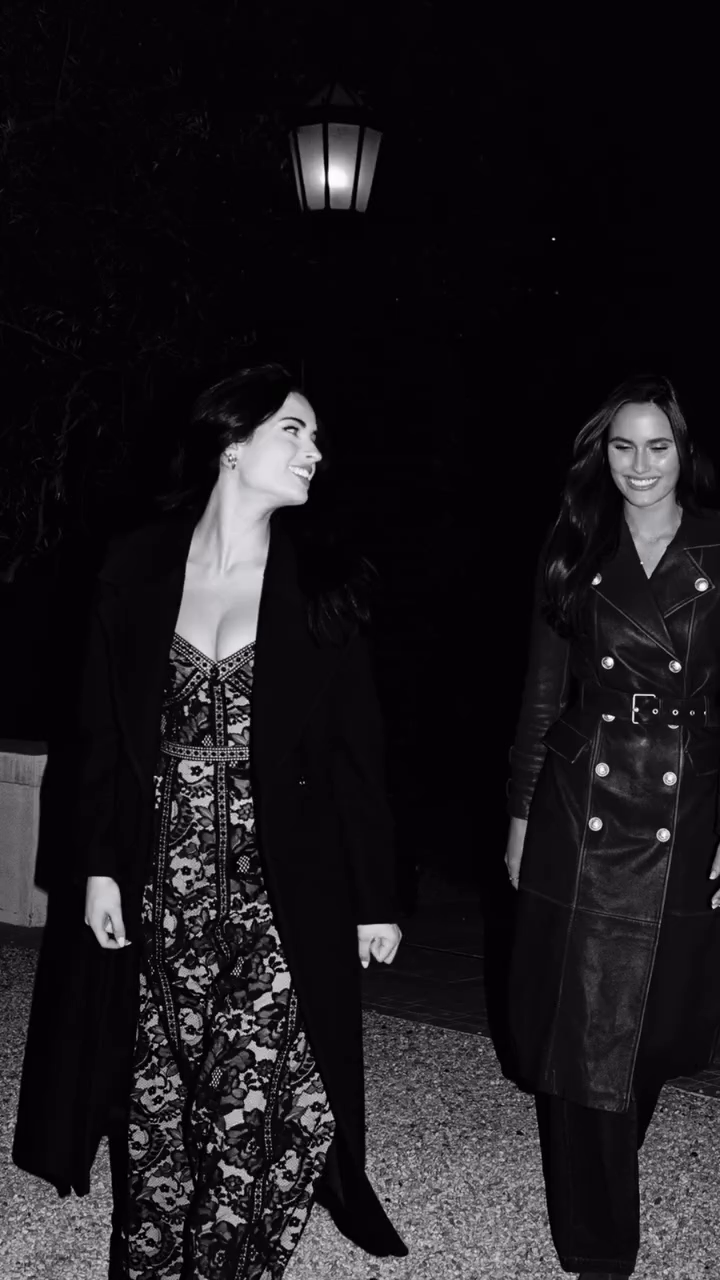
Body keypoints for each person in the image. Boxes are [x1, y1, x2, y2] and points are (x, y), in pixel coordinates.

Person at [13, 362, 408, 1279]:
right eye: (293, 430)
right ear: (233, 444)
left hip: (284, 891)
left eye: (316, 436)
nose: (314, 451)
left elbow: (359, 758)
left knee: (250, 1107)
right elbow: (98, 736)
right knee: (161, 1101)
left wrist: (376, 899)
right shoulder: (135, 568)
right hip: (163, 881)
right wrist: (99, 866)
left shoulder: (324, 585)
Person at [504, 374, 720, 1279]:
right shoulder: (575, 547)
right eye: (623, 446)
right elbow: (542, 694)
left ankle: (604, 1162)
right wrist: (520, 813)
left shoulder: (717, 547)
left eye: (657, 445)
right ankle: (595, 1243)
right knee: (582, 1016)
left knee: (653, 1020)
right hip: (579, 799)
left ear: (683, 452)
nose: (640, 464)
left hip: (687, 799)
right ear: (604, 453)